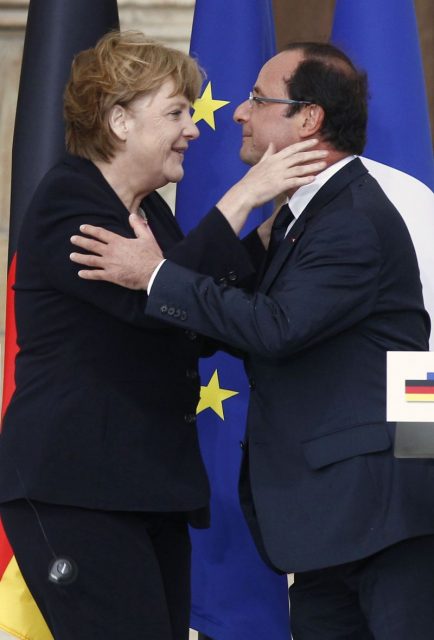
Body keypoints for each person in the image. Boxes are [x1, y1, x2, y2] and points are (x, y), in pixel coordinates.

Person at [70, 42, 434, 640]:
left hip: (381, 517)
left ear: (308, 119)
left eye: (258, 100)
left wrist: (155, 275)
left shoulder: (354, 217)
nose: (237, 112)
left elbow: (278, 327)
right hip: (335, 521)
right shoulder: (305, 216)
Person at [0, 31, 327, 640]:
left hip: (149, 486)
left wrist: (270, 232)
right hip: (75, 487)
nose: (195, 129)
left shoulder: (151, 213)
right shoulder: (67, 202)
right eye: (176, 112)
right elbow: (149, 307)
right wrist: (246, 195)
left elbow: (194, 316)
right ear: (119, 120)